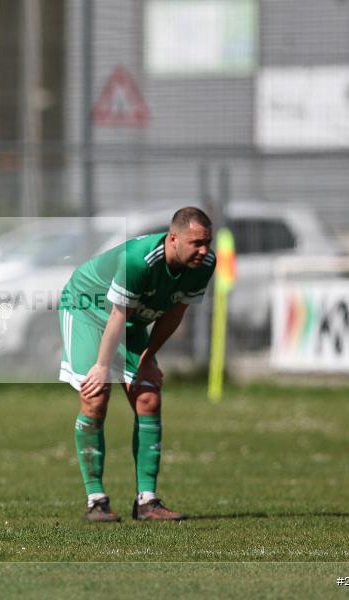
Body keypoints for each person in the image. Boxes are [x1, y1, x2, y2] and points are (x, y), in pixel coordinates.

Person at [58, 207, 214, 522]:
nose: (204, 250)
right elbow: (117, 315)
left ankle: (147, 502)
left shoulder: (204, 265)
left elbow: (176, 312)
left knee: (148, 397)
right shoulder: (139, 261)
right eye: (196, 243)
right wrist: (102, 367)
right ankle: (96, 501)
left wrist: (148, 359)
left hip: (128, 320)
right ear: (173, 238)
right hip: (87, 307)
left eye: (207, 242)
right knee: (96, 395)